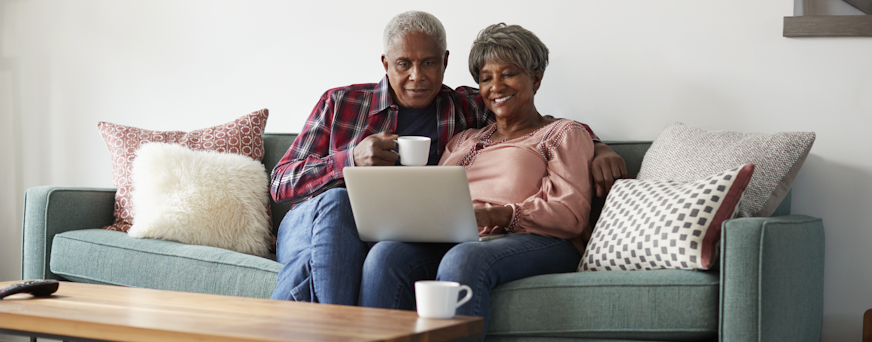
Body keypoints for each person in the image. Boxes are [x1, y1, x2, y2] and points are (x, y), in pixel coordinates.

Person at [269, 11, 626, 305]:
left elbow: (540, 127)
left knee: (382, 254)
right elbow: (281, 181)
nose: (417, 76)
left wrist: (600, 146)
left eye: (428, 63)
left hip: (417, 233)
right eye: (404, 64)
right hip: (313, 219)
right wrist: (348, 160)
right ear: (385, 63)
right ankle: (338, 329)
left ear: (445, 62)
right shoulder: (342, 102)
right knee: (337, 201)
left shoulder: (464, 109)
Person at [358, 22, 594, 334]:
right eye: (486, 78)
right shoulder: (464, 139)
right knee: (386, 255)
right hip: (462, 237)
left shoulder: (561, 134)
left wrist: (494, 214)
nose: (496, 86)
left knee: (463, 259)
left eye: (508, 73)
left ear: (535, 78)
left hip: (538, 240)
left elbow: (571, 215)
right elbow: (437, 199)